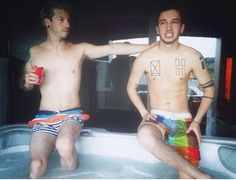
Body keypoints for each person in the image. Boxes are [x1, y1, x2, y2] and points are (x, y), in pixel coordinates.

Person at [20, 0, 151, 178]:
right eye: (61, 19)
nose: (67, 24)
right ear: (47, 22)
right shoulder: (34, 52)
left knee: (65, 145)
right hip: (44, 117)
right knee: (36, 165)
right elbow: (25, 84)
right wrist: (27, 81)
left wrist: (151, 47)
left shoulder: (79, 49)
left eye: (68, 20)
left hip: (71, 114)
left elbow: (113, 48)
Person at [127, 6, 214, 179]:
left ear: (182, 27)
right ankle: (203, 177)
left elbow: (209, 88)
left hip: (184, 121)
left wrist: (196, 121)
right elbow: (130, 87)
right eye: (163, 23)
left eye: (174, 23)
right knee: (144, 136)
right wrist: (144, 113)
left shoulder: (193, 56)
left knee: (187, 177)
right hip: (156, 119)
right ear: (157, 29)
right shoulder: (144, 57)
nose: (168, 28)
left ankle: (195, 174)